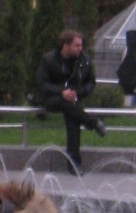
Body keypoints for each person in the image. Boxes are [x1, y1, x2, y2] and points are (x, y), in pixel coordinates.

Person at [36, 30, 106, 177]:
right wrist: (61, 91)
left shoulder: (84, 60)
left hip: (73, 100)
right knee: (68, 105)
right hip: (52, 98)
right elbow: (42, 84)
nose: (80, 48)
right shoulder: (49, 59)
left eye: (81, 45)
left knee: (73, 119)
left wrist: (78, 93)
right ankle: (92, 122)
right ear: (66, 45)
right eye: (77, 45)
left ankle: (74, 163)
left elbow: (91, 82)